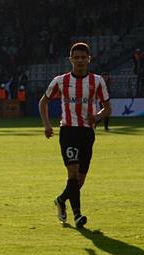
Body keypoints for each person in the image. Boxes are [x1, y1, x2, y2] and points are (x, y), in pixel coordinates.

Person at [39, 42, 110, 228]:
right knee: (72, 174)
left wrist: (97, 116)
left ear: (89, 59)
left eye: (83, 57)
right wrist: (46, 125)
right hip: (68, 131)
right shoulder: (60, 81)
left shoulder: (97, 81)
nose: (79, 60)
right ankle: (78, 215)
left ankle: (61, 200)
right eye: (76, 57)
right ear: (70, 60)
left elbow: (108, 108)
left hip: (87, 132)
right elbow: (43, 102)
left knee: (80, 180)